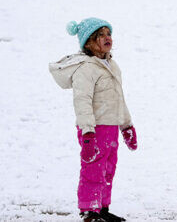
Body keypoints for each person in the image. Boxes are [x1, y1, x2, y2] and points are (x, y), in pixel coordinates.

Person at [49, 18, 137, 222]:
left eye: (109, 33)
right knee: (93, 169)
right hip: (94, 129)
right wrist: (87, 132)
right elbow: (82, 102)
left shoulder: (112, 65)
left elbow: (118, 99)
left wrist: (127, 125)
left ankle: (102, 208)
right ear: (89, 42)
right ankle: (89, 211)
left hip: (112, 127)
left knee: (108, 168)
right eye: (101, 35)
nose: (107, 38)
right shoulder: (86, 69)